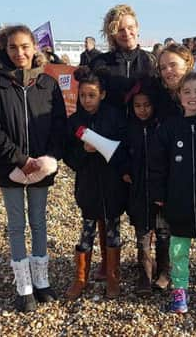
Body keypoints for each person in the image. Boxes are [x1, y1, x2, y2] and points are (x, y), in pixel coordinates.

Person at [0, 25, 67, 312]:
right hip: (10, 168)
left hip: (41, 166)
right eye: (13, 47)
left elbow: (59, 125)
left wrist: (48, 158)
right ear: (5, 49)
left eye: (25, 46)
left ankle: (41, 280)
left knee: (39, 222)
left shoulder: (48, 84)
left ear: (34, 48)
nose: (20, 53)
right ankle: (23, 285)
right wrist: (19, 159)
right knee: (17, 225)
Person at [150, 72, 196, 313]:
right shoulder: (170, 127)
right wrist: (160, 193)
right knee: (178, 249)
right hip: (178, 200)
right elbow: (158, 164)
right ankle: (179, 288)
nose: (192, 96)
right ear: (179, 96)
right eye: (187, 92)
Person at [64, 66, 128, 300]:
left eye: (91, 95)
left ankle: (113, 277)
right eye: (82, 95)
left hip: (112, 186)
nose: (87, 100)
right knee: (86, 234)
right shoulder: (74, 122)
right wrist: (84, 151)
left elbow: (124, 148)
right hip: (88, 186)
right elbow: (69, 156)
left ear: (102, 94)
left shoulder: (114, 116)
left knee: (113, 232)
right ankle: (80, 278)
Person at [122, 79, 170, 294]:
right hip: (138, 191)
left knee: (162, 234)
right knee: (142, 235)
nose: (142, 110)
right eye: (137, 106)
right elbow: (120, 154)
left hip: (161, 190)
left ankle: (164, 271)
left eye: (147, 105)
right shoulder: (129, 128)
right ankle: (145, 272)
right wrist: (124, 171)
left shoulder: (161, 127)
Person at [90, 4, 156, 111]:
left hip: (143, 126)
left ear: (137, 28)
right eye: (121, 30)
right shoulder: (99, 64)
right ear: (113, 34)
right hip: (110, 126)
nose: (126, 33)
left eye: (130, 27)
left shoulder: (151, 61)